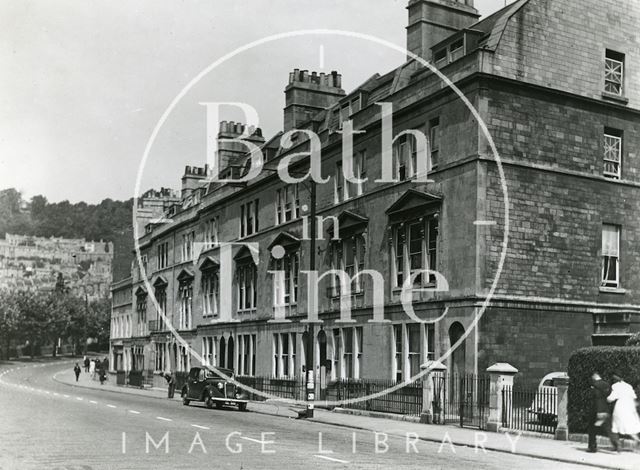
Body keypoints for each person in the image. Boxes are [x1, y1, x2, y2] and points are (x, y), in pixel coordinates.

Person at [587, 372, 618, 452]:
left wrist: (598, 411)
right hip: (605, 410)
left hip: (597, 410)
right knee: (608, 428)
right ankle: (615, 443)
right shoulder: (607, 385)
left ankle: (592, 447)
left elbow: (597, 399)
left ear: (594, 376)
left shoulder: (595, 385)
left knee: (592, 429)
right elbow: (609, 397)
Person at [607, 370, 640, 445]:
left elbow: (612, 397)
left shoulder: (615, 386)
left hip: (620, 407)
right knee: (630, 425)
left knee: (615, 425)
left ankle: (617, 444)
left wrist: (607, 399)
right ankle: (636, 439)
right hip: (630, 407)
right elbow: (634, 396)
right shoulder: (629, 386)